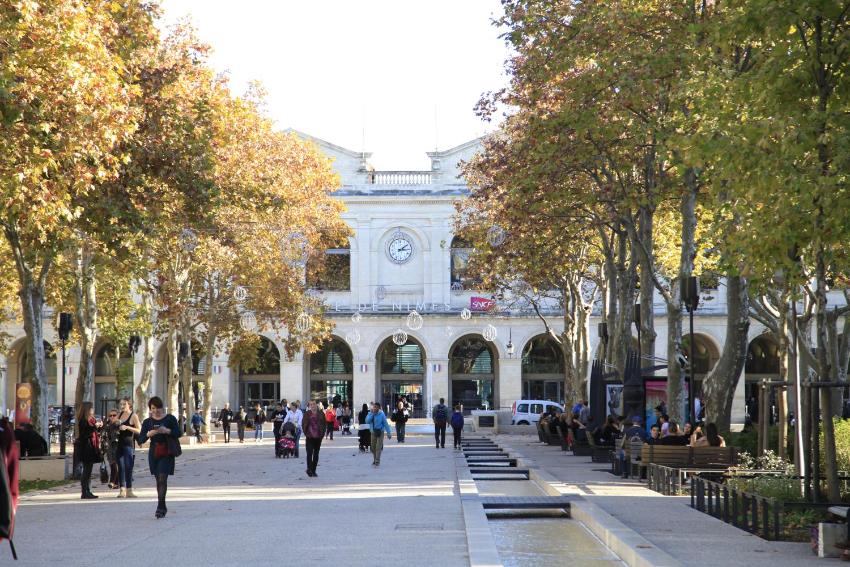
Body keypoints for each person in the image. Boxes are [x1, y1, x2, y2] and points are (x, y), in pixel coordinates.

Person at [137, 396, 181, 518]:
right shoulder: (147, 422)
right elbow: (140, 439)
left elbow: (178, 433)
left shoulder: (170, 419)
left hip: (166, 451)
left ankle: (160, 507)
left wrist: (166, 430)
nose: (156, 410)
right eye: (153, 408)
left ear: (162, 407)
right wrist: (149, 434)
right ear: (150, 409)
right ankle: (162, 504)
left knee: (162, 478)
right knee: (158, 480)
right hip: (154, 452)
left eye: (158, 408)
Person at [75, 402, 102, 499]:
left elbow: (94, 432)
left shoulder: (92, 419)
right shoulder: (83, 420)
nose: (93, 410)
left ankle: (88, 490)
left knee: (89, 471)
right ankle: (84, 491)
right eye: (91, 408)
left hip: (92, 446)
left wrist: (98, 427)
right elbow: (85, 433)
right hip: (86, 448)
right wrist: (95, 427)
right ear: (87, 409)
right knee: (86, 470)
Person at [115, 397, 141, 498]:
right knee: (120, 467)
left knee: (128, 466)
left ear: (129, 405)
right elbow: (114, 424)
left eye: (124, 404)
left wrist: (127, 427)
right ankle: (122, 490)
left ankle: (129, 490)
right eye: (120, 404)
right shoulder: (120, 414)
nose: (121, 406)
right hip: (119, 444)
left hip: (128, 444)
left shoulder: (133, 415)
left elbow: (139, 430)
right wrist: (115, 424)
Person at [302, 400, 326, 477]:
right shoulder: (307, 414)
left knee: (316, 454)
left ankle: (314, 470)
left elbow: (324, 424)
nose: (312, 405)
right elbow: (303, 424)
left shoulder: (321, 413)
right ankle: (309, 469)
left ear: (316, 405)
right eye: (311, 404)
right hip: (309, 436)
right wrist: (306, 433)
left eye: (314, 404)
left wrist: (322, 435)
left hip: (318, 437)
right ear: (309, 406)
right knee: (309, 453)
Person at [366, 402, 392, 466]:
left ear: (379, 408)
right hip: (373, 432)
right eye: (374, 407)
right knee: (372, 447)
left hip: (380, 432)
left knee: (378, 447)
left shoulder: (381, 414)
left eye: (376, 407)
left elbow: (385, 423)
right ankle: (375, 459)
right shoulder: (370, 413)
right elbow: (367, 421)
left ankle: (377, 460)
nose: (375, 408)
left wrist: (389, 433)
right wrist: (372, 414)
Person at [102, 409, 120, 490]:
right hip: (109, 447)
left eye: (114, 415)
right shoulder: (107, 425)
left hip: (117, 446)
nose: (112, 417)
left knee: (115, 464)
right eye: (110, 415)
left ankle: (112, 481)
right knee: (112, 464)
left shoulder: (118, 424)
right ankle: (116, 483)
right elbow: (103, 435)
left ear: (117, 416)